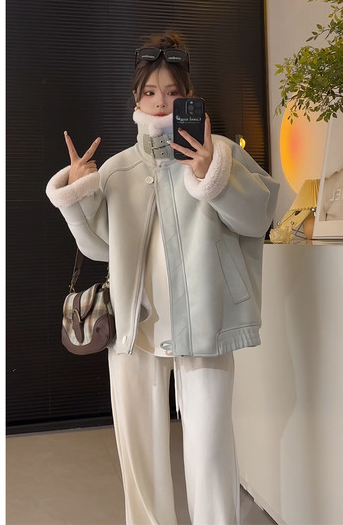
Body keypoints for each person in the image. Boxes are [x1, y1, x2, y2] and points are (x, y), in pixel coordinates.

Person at [46, 32, 279, 525]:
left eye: (173, 92)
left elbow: (258, 218)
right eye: (150, 91)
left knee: (211, 452)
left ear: (189, 96)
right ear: (135, 98)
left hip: (205, 327)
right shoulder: (118, 169)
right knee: (140, 456)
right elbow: (98, 248)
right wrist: (77, 192)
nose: (160, 102)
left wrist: (213, 175)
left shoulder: (219, 152)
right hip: (134, 330)